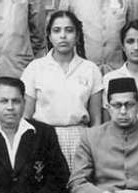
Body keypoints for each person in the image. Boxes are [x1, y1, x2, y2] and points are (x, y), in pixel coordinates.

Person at [21, 10, 103, 169]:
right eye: (57, 30)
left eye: (69, 30)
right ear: (49, 36)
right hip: (44, 138)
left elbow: (96, 120)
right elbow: (26, 116)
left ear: (77, 36)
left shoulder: (90, 69)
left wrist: (93, 148)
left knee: (78, 182)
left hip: (80, 139)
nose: (63, 36)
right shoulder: (35, 68)